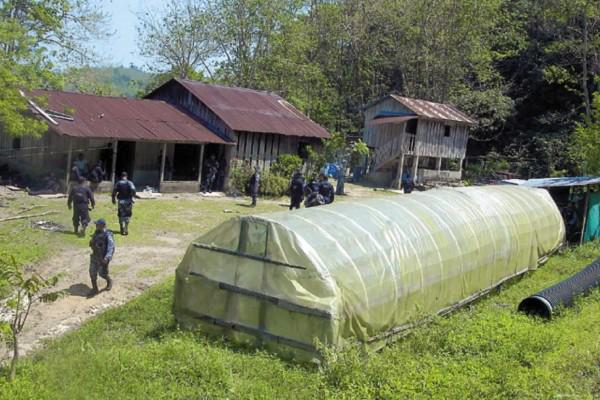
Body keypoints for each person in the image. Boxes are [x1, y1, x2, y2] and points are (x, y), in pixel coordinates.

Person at [88, 218, 114, 297]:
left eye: (97, 225)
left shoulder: (108, 235)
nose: (96, 226)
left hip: (103, 258)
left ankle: (109, 281)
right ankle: (95, 289)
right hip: (94, 256)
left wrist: (107, 258)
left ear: (103, 226)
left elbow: (111, 247)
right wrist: (92, 243)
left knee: (102, 273)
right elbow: (93, 241)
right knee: (92, 272)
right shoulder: (96, 232)